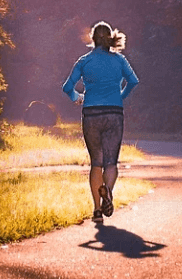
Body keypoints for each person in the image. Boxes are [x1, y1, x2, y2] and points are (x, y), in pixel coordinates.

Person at [62, 21, 139, 223]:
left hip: (91, 113)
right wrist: (120, 96)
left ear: (92, 39)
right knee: (111, 161)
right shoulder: (119, 60)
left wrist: (77, 97)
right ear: (110, 38)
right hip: (114, 113)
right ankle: (109, 192)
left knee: (96, 162)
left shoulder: (84, 61)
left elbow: (67, 87)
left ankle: (97, 211)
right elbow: (134, 81)